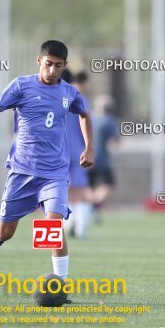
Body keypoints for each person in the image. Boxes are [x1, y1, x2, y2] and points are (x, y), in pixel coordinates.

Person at [0, 40, 94, 281]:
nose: (52, 71)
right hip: (22, 171)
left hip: (54, 173)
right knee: (7, 232)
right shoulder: (21, 86)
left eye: (58, 66)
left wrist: (89, 147)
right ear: (39, 61)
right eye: (48, 64)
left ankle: (61, 283)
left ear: (64, 66)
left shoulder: (69, 92)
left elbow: (84, 114)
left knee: (52, 226)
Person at [63, 70, 93, 239]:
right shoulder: (79, 98)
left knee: (62, 189)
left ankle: (68, 223)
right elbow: (88, 125)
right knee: (80, 190)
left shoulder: (51, 99)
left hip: (58, 152)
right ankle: (80, 227)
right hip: (78, 150)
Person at [87, 94, 119, 223]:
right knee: (108, 184)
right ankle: (95, 203)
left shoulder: (90, 118)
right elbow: (115, 141)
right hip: (101, 159)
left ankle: (92, 208)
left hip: (87, 157)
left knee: (89, 186)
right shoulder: (110, 121)